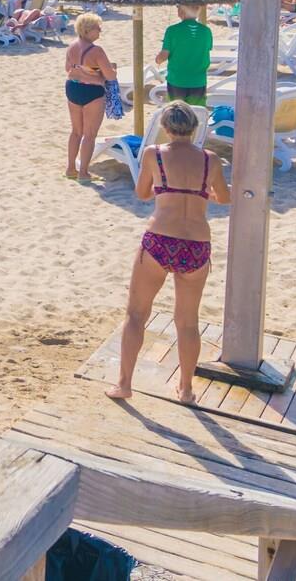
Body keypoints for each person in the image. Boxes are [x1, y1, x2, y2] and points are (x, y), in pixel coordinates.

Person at [109, 104, 231, 402]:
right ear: (194, 128)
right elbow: (223, 197)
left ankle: (124, 385)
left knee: (136, 314)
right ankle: (186, 389)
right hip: (196, 244)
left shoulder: (154, 154)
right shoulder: (211, 159)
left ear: (165, 128)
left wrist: (165, 190)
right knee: (187, 321)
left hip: (160, 240)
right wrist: (200, 193)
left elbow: (142, 193)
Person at [64, 13, 116, 180]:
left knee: (76, 132)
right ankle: (84, 173)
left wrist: (86, 72)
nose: (100, 31)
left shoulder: (71, 46)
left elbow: (69, 69)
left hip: (73, 87)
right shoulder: (97, 51)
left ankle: (70, 169)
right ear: (87, 30)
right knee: (90, 134)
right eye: (97, 28)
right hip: (92, 91)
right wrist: (103, 73)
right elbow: (110, 76)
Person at [155, 4, 213, 105]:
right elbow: (206, 49)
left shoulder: (172, 30)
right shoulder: (206, 31)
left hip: (177, 80)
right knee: (196, 112)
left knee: (177, 112)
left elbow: (164, 55)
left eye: (178, 7)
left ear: (182, 11)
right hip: (198, 80)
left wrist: (158, 60)